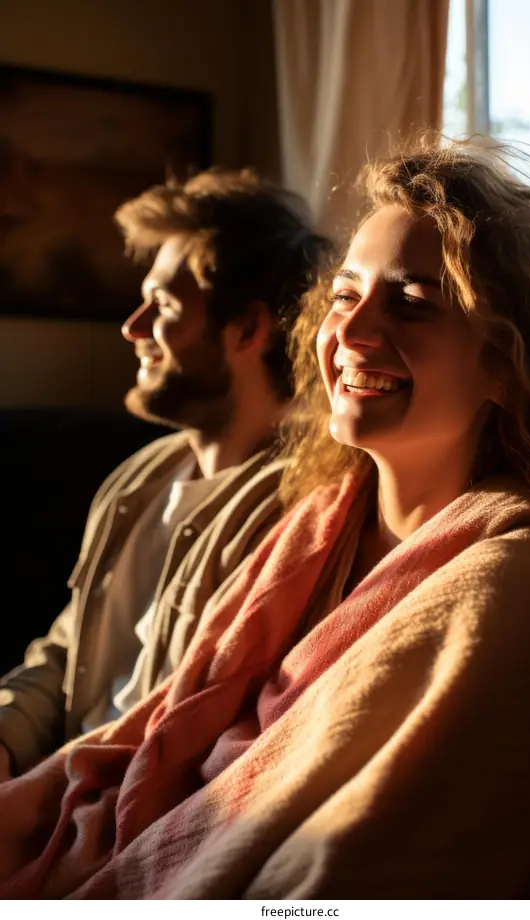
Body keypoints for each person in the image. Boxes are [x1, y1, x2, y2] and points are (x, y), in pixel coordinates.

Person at [1, 141, 530, 899]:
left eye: (411, 301)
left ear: (509, 363)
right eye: (346, 296)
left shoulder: (507, 585)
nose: (350, 334)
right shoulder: (315, 523)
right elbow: (148, 726)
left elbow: (353, 863)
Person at [0, 167, 331, 780]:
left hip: (105, 818)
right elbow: (67, 648)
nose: (132, 328)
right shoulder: (139, 480)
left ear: (249, 329)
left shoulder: (298, 512)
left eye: (165, 306)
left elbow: (202, 738)